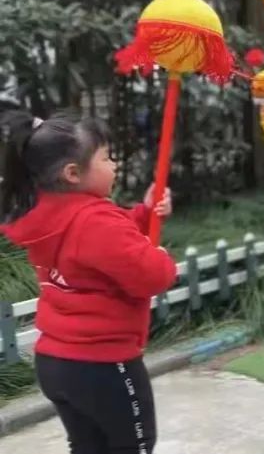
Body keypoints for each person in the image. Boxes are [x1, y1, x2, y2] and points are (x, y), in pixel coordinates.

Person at [0, 110, 177, 454]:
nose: (115, 165)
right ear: (72, 173)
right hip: (104, 365)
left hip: (56, 362)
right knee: (134, 446)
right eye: (107, 158)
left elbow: (100, 247)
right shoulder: (96, 221)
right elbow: (152, 276)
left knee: (87, 447)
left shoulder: (44, 214)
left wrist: (144, 214)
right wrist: (162, 259)